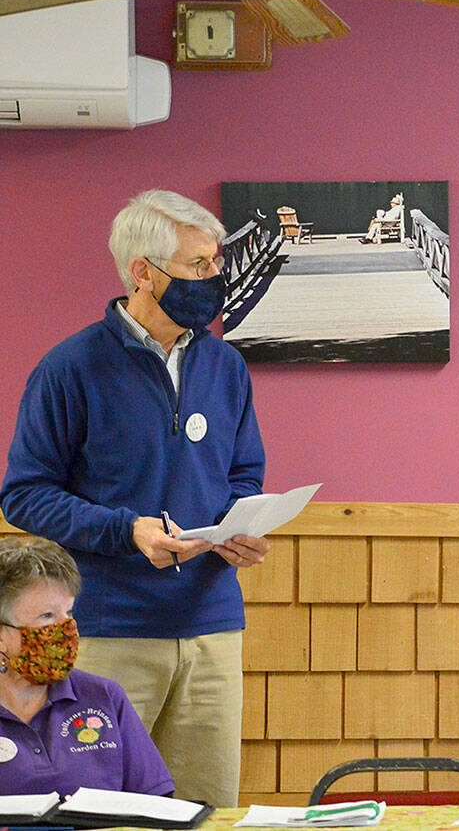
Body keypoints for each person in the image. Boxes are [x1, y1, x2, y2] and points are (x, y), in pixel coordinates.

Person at [0, 189, 269, 807]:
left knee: (208, 807)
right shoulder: (69, 369)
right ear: (141, 272)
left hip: (212, 627)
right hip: (110, 628)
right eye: (198, 266)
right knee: (101, 807)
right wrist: (128, 531)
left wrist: (240, 524)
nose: (215, 278)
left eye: (215, 263)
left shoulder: (227, 367)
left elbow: (244, 474)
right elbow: (25, 494)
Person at [0, 535, 173, 797]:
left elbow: (154, 799)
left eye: (68, 613)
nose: (65, 629)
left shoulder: (103, 695)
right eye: (47, 616)